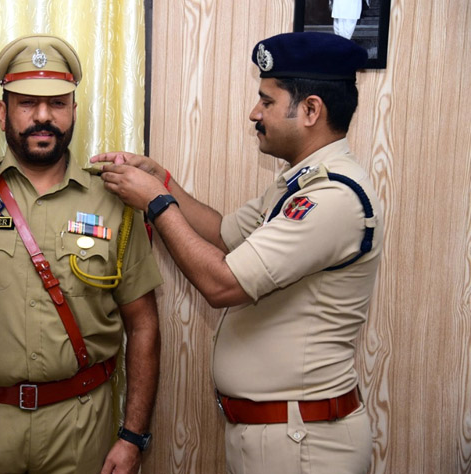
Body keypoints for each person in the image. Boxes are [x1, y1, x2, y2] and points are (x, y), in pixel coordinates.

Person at [93, 32, 382, 473]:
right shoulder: (300, 183)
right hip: (280, 434)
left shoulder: (333, 198)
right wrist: (163, 180)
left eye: (266, 101)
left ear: (310, 110)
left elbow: (223, 282)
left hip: (304, 444)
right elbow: (224, 235)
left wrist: (155, 201)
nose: (254, 113)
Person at [0, 34, 163, 474]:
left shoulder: (112, 198)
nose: (43, 117)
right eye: (27, 103)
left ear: (74, 112)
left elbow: (142, 325)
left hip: (82, 425)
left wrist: (133, 436)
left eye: (58, 104)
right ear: (3, 112)